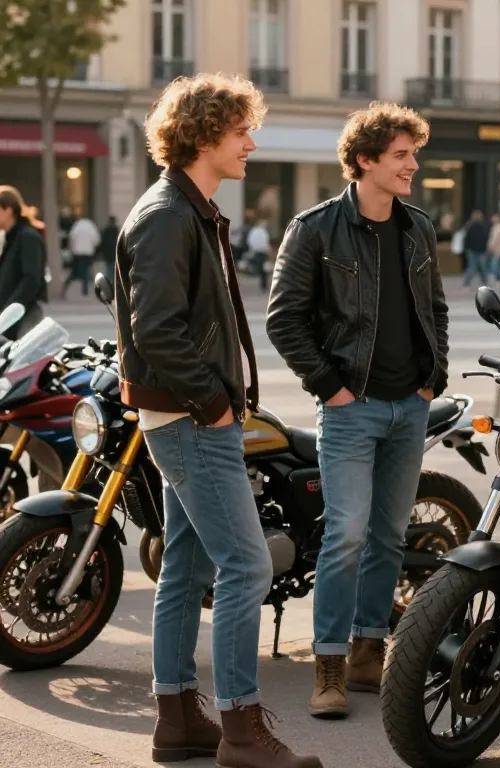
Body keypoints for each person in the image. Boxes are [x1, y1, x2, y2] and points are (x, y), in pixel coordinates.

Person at [114, 73, 321, 768]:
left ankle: (177, 721)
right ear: (204, 136)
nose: (251, 145)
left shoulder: (187, 206)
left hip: (187, 418)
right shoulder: (169, 214)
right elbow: (158, 328)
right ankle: (240, 727)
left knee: (185, 566)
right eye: (240, 134)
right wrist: (216, 402)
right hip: (193, 421)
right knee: (247, 564)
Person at [266, 101, 448, 720]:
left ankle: (372, 651)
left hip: (410, 406)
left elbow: (437, 311)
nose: (413, 166)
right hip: (350, 409)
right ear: (364, 160)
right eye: (401, 156)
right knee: (343, 536)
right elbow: (283, 318)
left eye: (413, 154)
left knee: (388, 537)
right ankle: (330, 664)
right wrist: (330, 388)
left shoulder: (418, 226)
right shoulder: (316, 228)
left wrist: (432, 379)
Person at [0, 186, 46, 337]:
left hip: (22, 317)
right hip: (10, 317)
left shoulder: (27, 237)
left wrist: (9, 312)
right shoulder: (11, 237)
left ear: (8, 210)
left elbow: (31, 279)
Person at [64, 211, 100, 298]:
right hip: (88, 252)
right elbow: (97, 239)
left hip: (77, 252)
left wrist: (72, 248)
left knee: (74, 271)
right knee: (86, 270)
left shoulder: (76, 225)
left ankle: (65, 286)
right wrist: (93, 247)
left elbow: (71, 238)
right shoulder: (91, 226)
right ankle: (85, 290)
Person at [461, 209, 491, 286]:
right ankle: (485, 280)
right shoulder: (483, 226)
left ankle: (467, 281)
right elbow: (486, 238)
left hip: (472, 249)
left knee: (472, 266)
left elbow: (466, 238)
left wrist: (466, 248)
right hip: (480, 249)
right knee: (482, 266)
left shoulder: (470, 226)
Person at [246, 218, 271, 291]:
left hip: (256, 251)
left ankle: (262, 283)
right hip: (262, 252)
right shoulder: (263, 232)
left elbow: (249, 241)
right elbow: (266, 242)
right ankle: (264, 285)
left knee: (260, 268)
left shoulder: (253, 231)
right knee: (263, 269)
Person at [99, 215, 118, 280]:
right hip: (114, 251)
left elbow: (103, 242)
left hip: (108, 253)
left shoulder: (106, 230)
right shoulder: (116, 230)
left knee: (109, 268)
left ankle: (110, 281)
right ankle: (112, 281)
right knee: (113, 268)